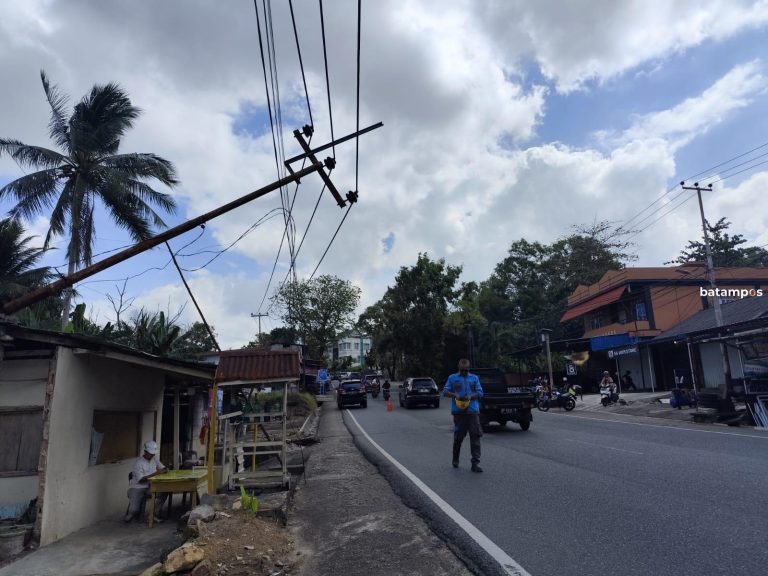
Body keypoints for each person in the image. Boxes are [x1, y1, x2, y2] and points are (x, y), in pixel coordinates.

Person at [443, 358, 484, 473]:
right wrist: (455, 394)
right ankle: (455, 459)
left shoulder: (474, 378)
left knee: (475, 437)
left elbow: (481, 393)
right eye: (462, 370)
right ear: (458, 368)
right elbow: (445, 392)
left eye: (466, 370)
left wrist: (470, 396)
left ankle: (475, 463)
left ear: (468, 369)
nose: (464, 372)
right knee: (458, 437)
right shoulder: (452, 378)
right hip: (459, 413)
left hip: (472, 412)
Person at [125, 440, 168, 523]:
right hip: (137, 488)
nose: (152, 455)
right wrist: (156, 473)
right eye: (150, 454)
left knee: (164, 492)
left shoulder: (154, 459)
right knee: (134, 511)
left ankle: (153, 515)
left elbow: (162, 467)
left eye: (153, 454)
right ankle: (130, 513)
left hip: (149, 487)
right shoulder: (138, 463)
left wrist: (165, 469)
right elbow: (141, 480)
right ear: (145, 452)